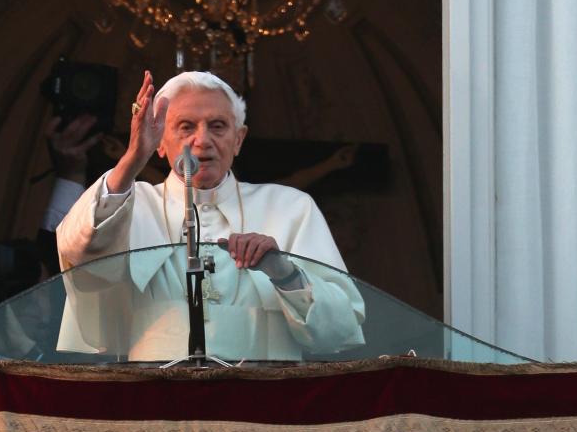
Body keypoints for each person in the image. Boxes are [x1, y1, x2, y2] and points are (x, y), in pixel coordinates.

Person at [56, 69, 365, 361]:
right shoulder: (130, 203)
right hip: (155, 404)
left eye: (217, 126)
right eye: (186, 126)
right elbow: (80, 255)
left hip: (266, 404)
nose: (202, 140)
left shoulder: (291, 207)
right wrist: (132, 159)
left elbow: (339, 329)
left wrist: (284, 272)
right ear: (160, 142)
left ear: (239, 139)